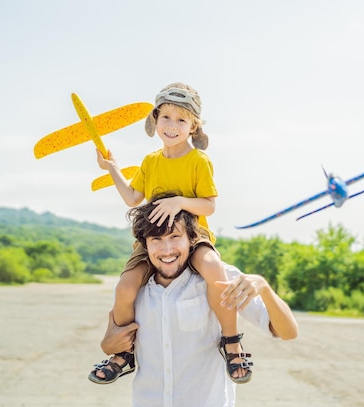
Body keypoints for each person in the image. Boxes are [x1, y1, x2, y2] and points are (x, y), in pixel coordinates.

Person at [89, 82, 251, 384]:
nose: (172, 126)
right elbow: (133, 198)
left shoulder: (199, 161)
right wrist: (111, 167)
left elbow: (209, 205)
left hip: (193, 237)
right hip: (154, 239)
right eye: (165, 117)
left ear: (193, 126)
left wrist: (178, 202)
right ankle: (123, 352)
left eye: (181, 119)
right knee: (125, 287)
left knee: (215, 270)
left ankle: (231, 340)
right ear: (154, 120)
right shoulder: (150, 161)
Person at [101, 197, 298, 407]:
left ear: (191, 239)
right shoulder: (133, 289)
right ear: (144, 245)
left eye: (175, 237)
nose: (167, 249)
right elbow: (111, 343)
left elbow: (288, 332)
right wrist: (109, 345)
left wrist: (264, 288)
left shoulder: (219, 279)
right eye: (156, 239)